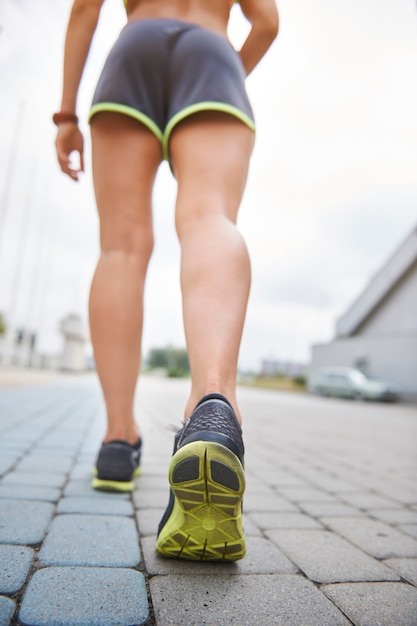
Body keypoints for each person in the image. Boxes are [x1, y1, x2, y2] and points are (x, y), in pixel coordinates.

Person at [54, 0, 278, 561]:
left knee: (121, 248)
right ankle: (213, 406)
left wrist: (65, 116)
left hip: (133, 52)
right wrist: (224, 73)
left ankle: (116, 441)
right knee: (209, 218)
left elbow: (85, 8)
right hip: (211, 52)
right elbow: (268, 21)